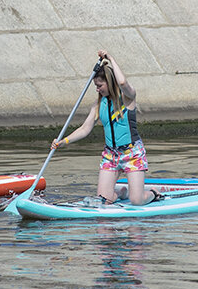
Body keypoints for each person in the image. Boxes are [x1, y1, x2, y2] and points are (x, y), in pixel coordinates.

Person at [51, 51, 160, 205]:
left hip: (132, 153)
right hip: (111, 155)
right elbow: (85, 129)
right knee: (104, 200)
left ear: (109, 82)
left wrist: (110, 58)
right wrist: (64, 141)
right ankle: (122, 192)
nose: (97, 89)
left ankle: (153, 193)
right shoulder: (98, 105)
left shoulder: (127, 98)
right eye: (95, 86)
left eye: (100, 85)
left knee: (137, 201)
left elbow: (122, 83)